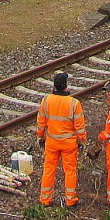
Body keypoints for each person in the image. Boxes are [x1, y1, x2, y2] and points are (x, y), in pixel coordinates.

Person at [36, 72, 87, 207]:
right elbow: (80, 127)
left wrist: (41, 137)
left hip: (52, 143)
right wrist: (82, 140)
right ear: (65, 86)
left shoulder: (46, 101)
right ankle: (70, 200)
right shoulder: (74, 103)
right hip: (69, 144)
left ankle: (45, 199)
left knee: (49, 170)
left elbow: (41, 122)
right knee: (70, 171)